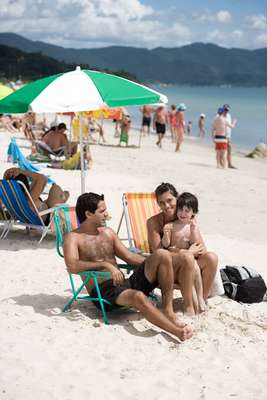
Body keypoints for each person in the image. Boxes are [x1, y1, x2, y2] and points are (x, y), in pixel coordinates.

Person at [63, 192, 193, 341]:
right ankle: (177, 332)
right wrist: (105, 265)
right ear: (88, 214)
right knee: (137, 296)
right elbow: (72, 265)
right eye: (102, 211)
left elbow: (129, 256)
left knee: (162, 255)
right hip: (104, 293)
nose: (107, 214)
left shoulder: (108, 233)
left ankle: (168, 311)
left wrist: (158, 263)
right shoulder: (73, 238)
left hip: (125, 284)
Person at [147, 183, 218, 315]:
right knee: (187, 257)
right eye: (161, 203)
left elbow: (202, 248)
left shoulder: (185, 216)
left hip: (188, 260)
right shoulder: (154, 222)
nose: (166, 206)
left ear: (177, 199)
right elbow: (159, 253)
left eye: (169, 200)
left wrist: (190, 248)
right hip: (167, 267)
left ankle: (202, 300)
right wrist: (186, 252)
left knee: (211, 258)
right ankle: (190, 306)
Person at [161, 192, 209, 313]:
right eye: (180, 210)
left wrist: (193, 230)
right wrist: (166, 234)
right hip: (176, 261)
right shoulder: (171, 225)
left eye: (187, 211)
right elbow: (165, 245)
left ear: (194, 213)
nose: (182, 213)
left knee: (195, 268)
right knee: (192, 268)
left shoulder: (192, 227)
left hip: (189, 259)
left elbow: (196, 245)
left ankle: (200, 298)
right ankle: (194, 304)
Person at [3, 167, 69, 225]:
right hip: (46, 217)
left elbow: (44, 179)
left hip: (30, 214)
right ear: (25, 183)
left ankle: (63, 196)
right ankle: (63, 196)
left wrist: (7, 176)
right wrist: (20, 171)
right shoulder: (30, 198)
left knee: (61, 192)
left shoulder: (11, 197)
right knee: (57, 189)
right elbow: (42, 178)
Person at [223, 104, 237, 169]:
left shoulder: (229, 115)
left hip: (228, 135)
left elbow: (229, 126)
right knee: (223, 150)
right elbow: (231, 125)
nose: (226, 111)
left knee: (229, 150)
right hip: (223, 135)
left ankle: (229, 164)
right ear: (223, 109)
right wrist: (234, 122)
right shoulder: (221, 116)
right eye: (225, 109)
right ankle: (224, 164)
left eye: (227, 110)